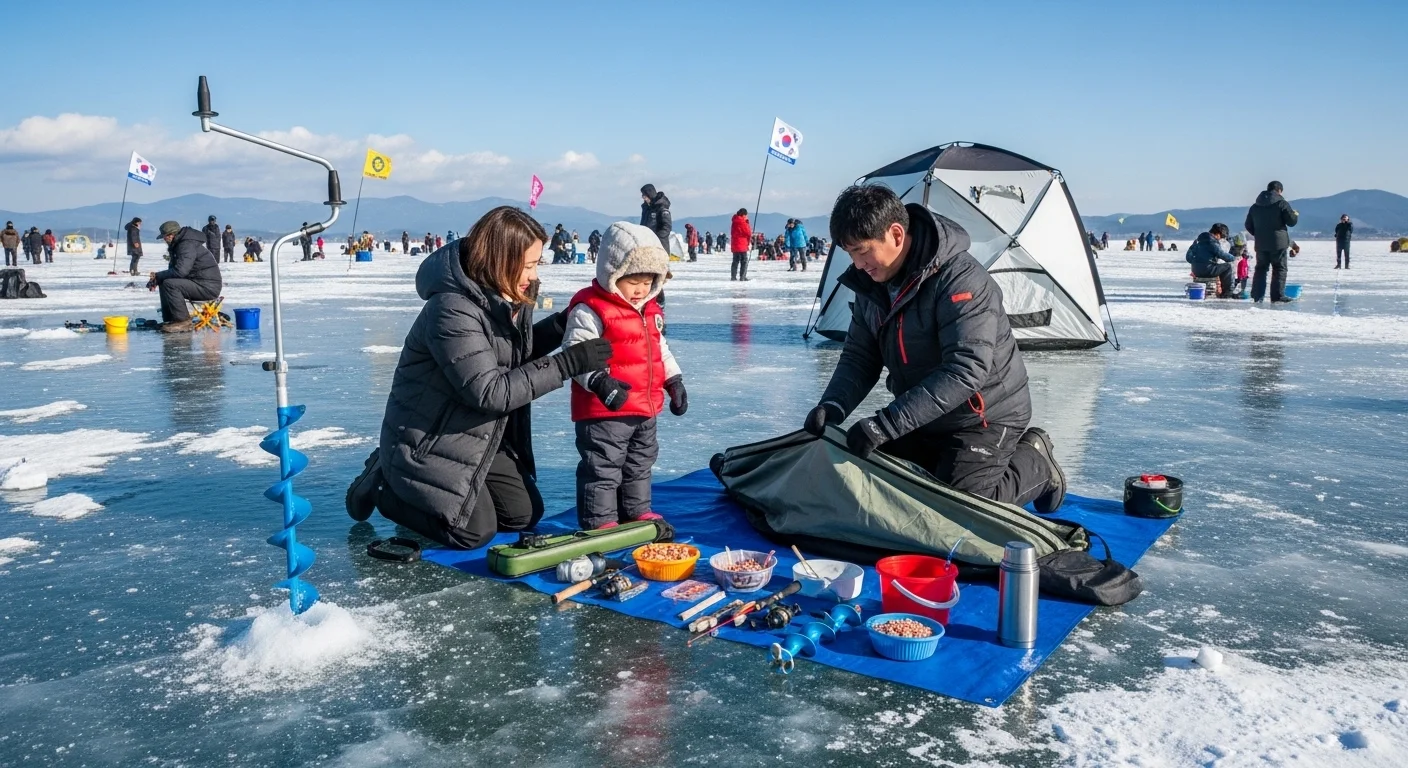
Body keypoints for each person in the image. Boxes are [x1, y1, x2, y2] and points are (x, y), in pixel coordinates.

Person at [347, 206, 614, 548]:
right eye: (528, 265)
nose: (534, 275)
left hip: (475, 433)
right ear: (501, 259)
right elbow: (489, 392)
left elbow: (509, 356)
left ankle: (454, 487)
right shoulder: (451, 310)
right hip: (427, 439)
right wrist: (566, 364)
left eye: (537, 264)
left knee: (522, 515)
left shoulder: (501, 295)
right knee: (471, 532)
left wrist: (562, 325)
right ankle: (383, 483)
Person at [802, 185, 1065, 511]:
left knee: (957, 510)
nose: (857, 265)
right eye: (850, 254)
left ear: (896, 234)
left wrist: (887, 424)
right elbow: (860, 357)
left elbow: (965, 369)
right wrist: (833, 406)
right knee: (870, 479)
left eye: (862, 251)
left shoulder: (961, 280)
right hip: (925, 415)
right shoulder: (872, 285)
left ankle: (1037, 462)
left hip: (984, 417)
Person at [561, 222, 686, 529]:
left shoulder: (651, 310)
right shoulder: (591, 308)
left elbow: (660, 349)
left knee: (640, 463)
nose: (641, 289)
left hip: (645, 407)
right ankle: (600, 520)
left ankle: (636, 510)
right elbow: (576, 350)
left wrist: (674, 380)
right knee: (603, 466)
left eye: (648, 281)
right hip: (605, 410)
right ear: (612, 273)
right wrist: (599, 382)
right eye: (633, 281)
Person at [149, 221, 223, 333]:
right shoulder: (179, 244)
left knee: (170, 284)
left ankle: (183, 322)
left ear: (171, 235)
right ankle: (170, 320)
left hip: (207, 287)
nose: (164, 239)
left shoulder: (186, 245)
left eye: (165, 237)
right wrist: (157, 279)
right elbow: (174, 270)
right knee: (165, 282)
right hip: (198, 282)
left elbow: (181, 271)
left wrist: (159, 276)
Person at [1245, 180, 1299, 303]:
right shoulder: (1281, 204)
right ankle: (1277, 296)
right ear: (1279, 191)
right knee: (1279, 269)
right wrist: (1295, 214)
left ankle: (1257, 296)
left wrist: (1259, 234)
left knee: (1261, 269)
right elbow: (1291, 222)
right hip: (1278, 243)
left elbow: (1248, 225)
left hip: (1261, 244)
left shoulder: (1255, 206)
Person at [1185, 222, 1236, 298]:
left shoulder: (1198, 241)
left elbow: (1188, 257)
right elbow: (1222, 255)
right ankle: (1228, 293)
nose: (1220, 239)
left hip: (1195, 271)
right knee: (1228, 267)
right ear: (1218, 234)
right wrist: (1233, 258)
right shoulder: (1212, 242)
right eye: (1221, 237)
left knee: (1219, 267)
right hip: (1208, 270)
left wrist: (1198, 262)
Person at [638, 184, 672, 251]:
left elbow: (666, 227)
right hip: (646, 244)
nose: (643, 197)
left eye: (644, 195)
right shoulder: (646, 208)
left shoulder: (662, 207)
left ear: (650, 194)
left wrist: (656, 238)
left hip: (660, 246)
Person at [730, 208, 751, 282]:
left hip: (735, 244)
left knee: (735, 261)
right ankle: (743, 277)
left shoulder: (734, 221)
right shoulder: (742, 222)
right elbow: (748, 232)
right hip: (742, 244)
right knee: (744, 261)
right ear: (743, 215)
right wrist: (747, 223)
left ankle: (733, 277)